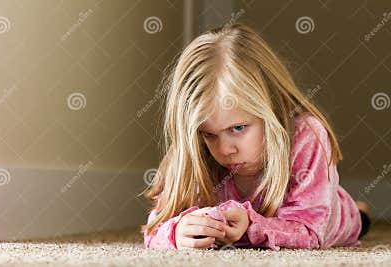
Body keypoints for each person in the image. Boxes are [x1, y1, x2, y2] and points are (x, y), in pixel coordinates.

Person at [140, 23, 370, 250]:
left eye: (238, 128)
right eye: (209, 134)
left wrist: (251, 224)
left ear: (272, 109)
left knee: (357, 220)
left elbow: (311, 232)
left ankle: (360, 210)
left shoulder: (306, 135)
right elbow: (153, 230)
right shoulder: (193, 147)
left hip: (337, 217)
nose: (225, 150)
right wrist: (176, 233)